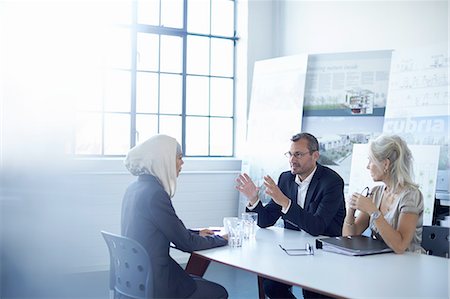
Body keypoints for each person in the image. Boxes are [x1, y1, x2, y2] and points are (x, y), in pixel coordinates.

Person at [235, 132, 345, 299]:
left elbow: (317, 227)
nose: (292, 160)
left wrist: (285, 202)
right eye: (290, 154)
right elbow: (266, 220)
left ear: (315, 155)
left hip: (325, 253)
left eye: (298, 154)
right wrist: (253, 198)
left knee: (313, 294)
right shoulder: (286, 178)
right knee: (270, 286)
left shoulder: (331, 182)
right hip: (293, 249)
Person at [121, 134, 229, 299]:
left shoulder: (135, 188)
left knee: (196, 280)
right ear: (163, 160)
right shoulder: (155, 194)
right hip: (156, 283)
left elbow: (163, 230)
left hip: (135, 278)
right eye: (179, 158)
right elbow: (185, 243)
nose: (182, 163)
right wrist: (223, 239)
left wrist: (196, 233)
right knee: (219, 293)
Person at [342, 134, 424, 254]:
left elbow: (400, 246)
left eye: (371, 160)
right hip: (382, 261)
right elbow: (349, 236)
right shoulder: (376, 192)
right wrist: (351, 210)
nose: (367, 166)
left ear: (385, 164)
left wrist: (373, 211)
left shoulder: (410, 196)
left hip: (407, 264)